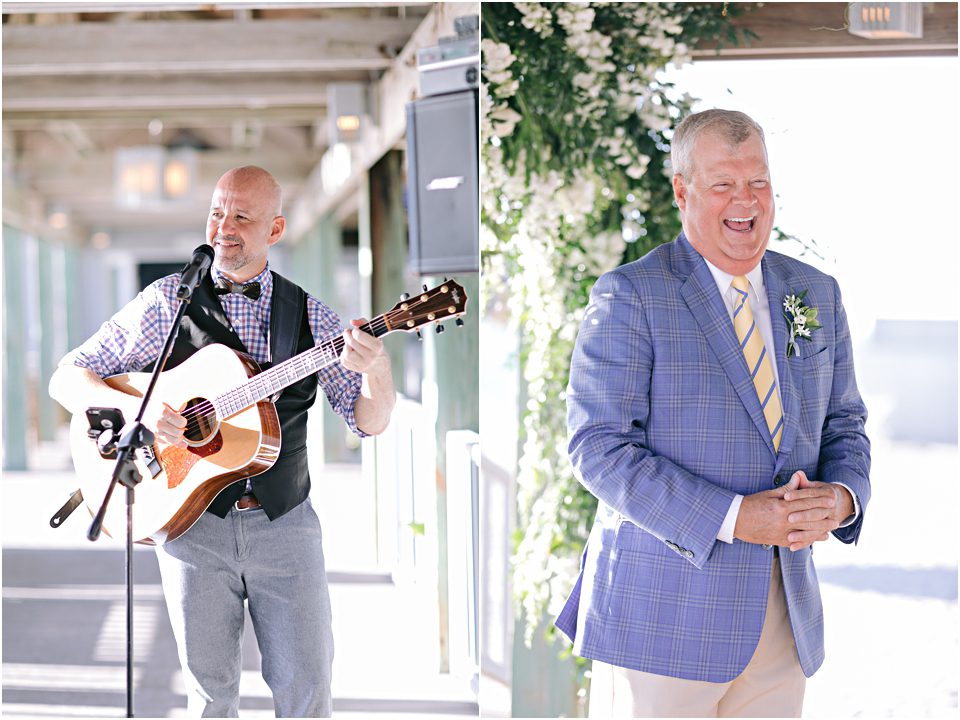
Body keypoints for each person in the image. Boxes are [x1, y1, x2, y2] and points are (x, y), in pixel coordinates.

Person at [49, 165, 397, 717]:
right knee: (210, 700)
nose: (224, 227)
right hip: (191, 526)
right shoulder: (167, 301)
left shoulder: (310, 315)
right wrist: (138, 406)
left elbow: (367, 421)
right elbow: (68, 376)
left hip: (285, 526)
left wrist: (377, 369)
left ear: (275, 230)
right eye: (217, 212)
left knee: (307, 694)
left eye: (242, 216)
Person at [555, 110, 871, 718]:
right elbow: (597, 448)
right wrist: (734, 517)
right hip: (660, 623)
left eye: (758, 183)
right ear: (683, 190)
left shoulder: (817, 294)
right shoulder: (630, 295)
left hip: (785, 618)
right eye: (724, 184)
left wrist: (840, 500)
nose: (745, 201)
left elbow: (845, 425)